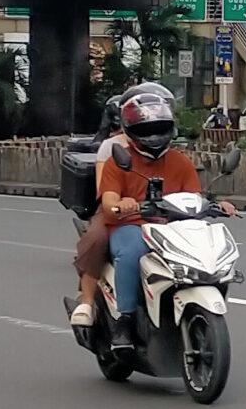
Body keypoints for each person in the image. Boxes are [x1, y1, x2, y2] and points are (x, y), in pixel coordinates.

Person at [99, 91, 236, 350]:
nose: (153, 135)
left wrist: (217, 205)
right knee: (132, 253)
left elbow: (193, 197)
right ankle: (125, 322)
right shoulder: (119, 162)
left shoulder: (179, 161)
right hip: (132, 226)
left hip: (172, 229)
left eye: (159, 128)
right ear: (130, 130)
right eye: (146, 129)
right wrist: (122, 204)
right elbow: (108, 202)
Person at [70, 82, 177, 328]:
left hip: (162, 210)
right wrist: (124, 203)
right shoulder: (111, 147)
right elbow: (103, 190)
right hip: (119, 211)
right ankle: (86, 301)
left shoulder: (168, 144)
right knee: (97, 238)